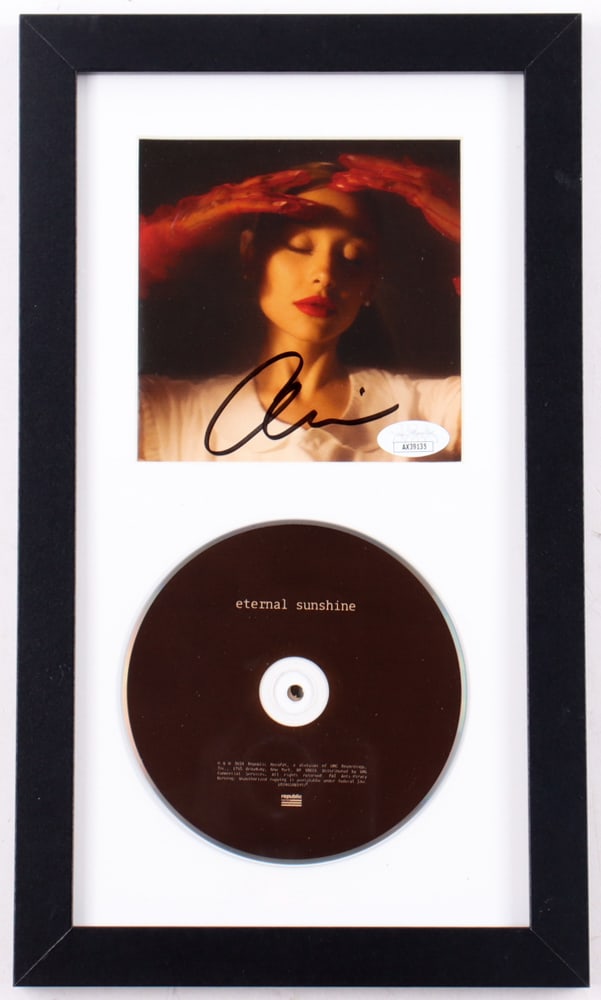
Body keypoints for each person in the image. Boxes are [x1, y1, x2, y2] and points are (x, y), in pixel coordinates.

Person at [138, 153, 461, 462]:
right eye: (300, 246)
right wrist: (163, 239)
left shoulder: (430, 410)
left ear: (371, 282)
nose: (325, 274)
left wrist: (474, 231)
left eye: (353, 256)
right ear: (250, 254)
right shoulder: (169, 416)